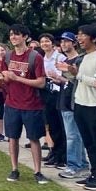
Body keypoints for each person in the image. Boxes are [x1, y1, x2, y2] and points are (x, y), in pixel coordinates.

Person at [0, 25, 48, 184]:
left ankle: (38, 171)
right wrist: (0, 77)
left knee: (34, 138)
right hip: (12, 103)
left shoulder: (35, 57)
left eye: (17, 35)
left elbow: (41, 83)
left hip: (32, 104)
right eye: (11, 34)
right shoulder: (7, 57)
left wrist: (17, 78)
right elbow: (6, 79)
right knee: (12, 137)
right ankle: (14, 169)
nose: (13, 37)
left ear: (25, 37)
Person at [72, 23, 96, 191]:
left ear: (94, 38)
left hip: (95, 104)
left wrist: (78, 75)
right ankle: (93, 172)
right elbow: (79, 79)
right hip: (81, 103)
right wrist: (69, 73)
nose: (79, 38)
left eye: (83, 35)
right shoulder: (85, 56)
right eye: (78, 34)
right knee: (88, 141)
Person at [55, 32, 90, 180]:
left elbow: (78, 79)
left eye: (67, 41)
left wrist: (64, 76)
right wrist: (59, 79)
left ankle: (74, 165)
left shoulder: (79, 60)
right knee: (74, 135)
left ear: (74, 43)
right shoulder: (65, 60)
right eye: (62, 41)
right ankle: (81, 164)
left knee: (73, 136)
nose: (63, 44)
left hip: (73, 101)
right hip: (64, 99)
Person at [38, 33, 68, 168]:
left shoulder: (60, 57)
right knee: (50, 125)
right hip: (46, 92)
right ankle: (54, 152)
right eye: (42, 41)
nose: (45, 44)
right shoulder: (42, 58)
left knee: (59, 125)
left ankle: (62, 155)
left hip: (57, 91)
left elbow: (63, 76)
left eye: (47, 41)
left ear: (52, 43)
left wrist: (56, 77)